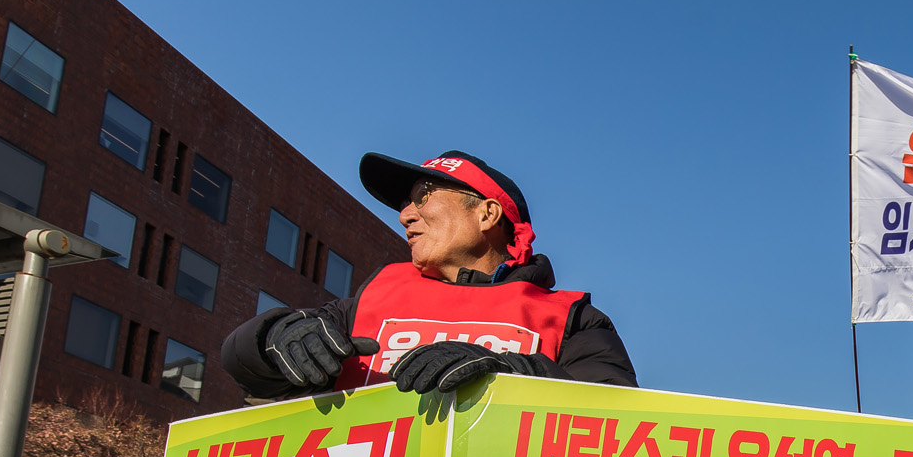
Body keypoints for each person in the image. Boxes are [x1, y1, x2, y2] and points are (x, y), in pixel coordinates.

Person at [222, 151, 635, 399]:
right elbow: (247, 367)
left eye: (423, 196)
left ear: (487, 213)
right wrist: (271, 337)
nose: (405, 214)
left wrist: (513, 374)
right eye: (405, 202)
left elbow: (617, 416)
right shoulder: (370, 298)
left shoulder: (572, 317)